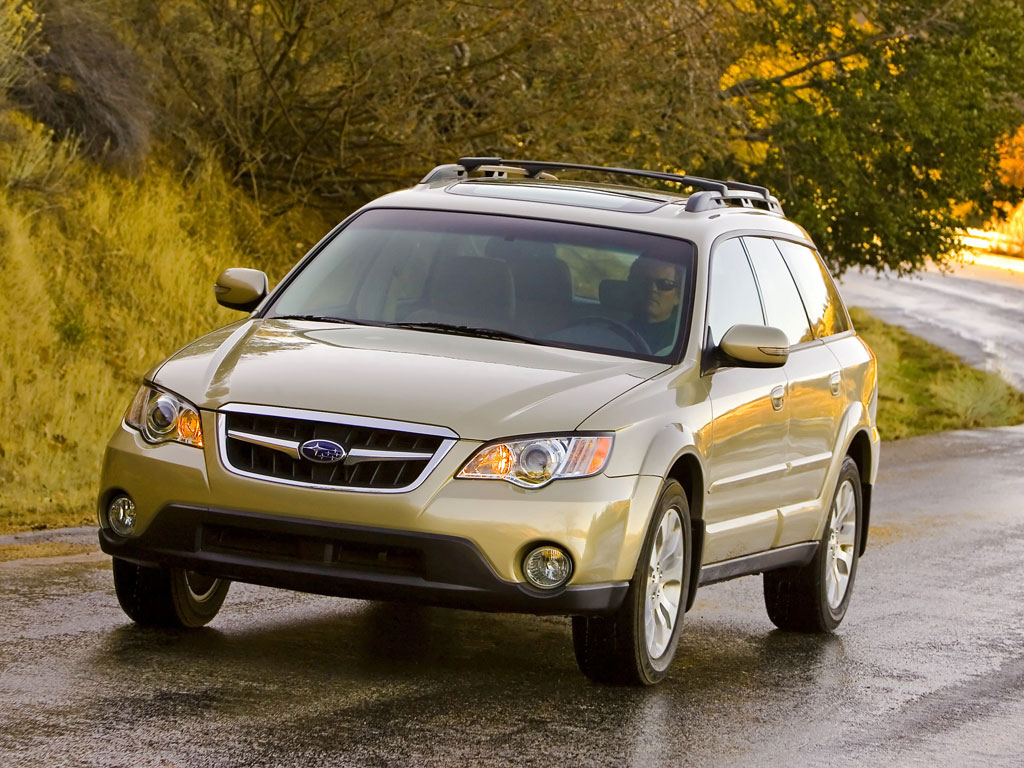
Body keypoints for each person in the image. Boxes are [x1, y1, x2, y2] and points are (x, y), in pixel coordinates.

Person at [627, 256, 683, 353]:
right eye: (646, 282)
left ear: (678, 296)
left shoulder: (683, 341)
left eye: (665, 284)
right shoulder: (612, 328)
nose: (652, 289)